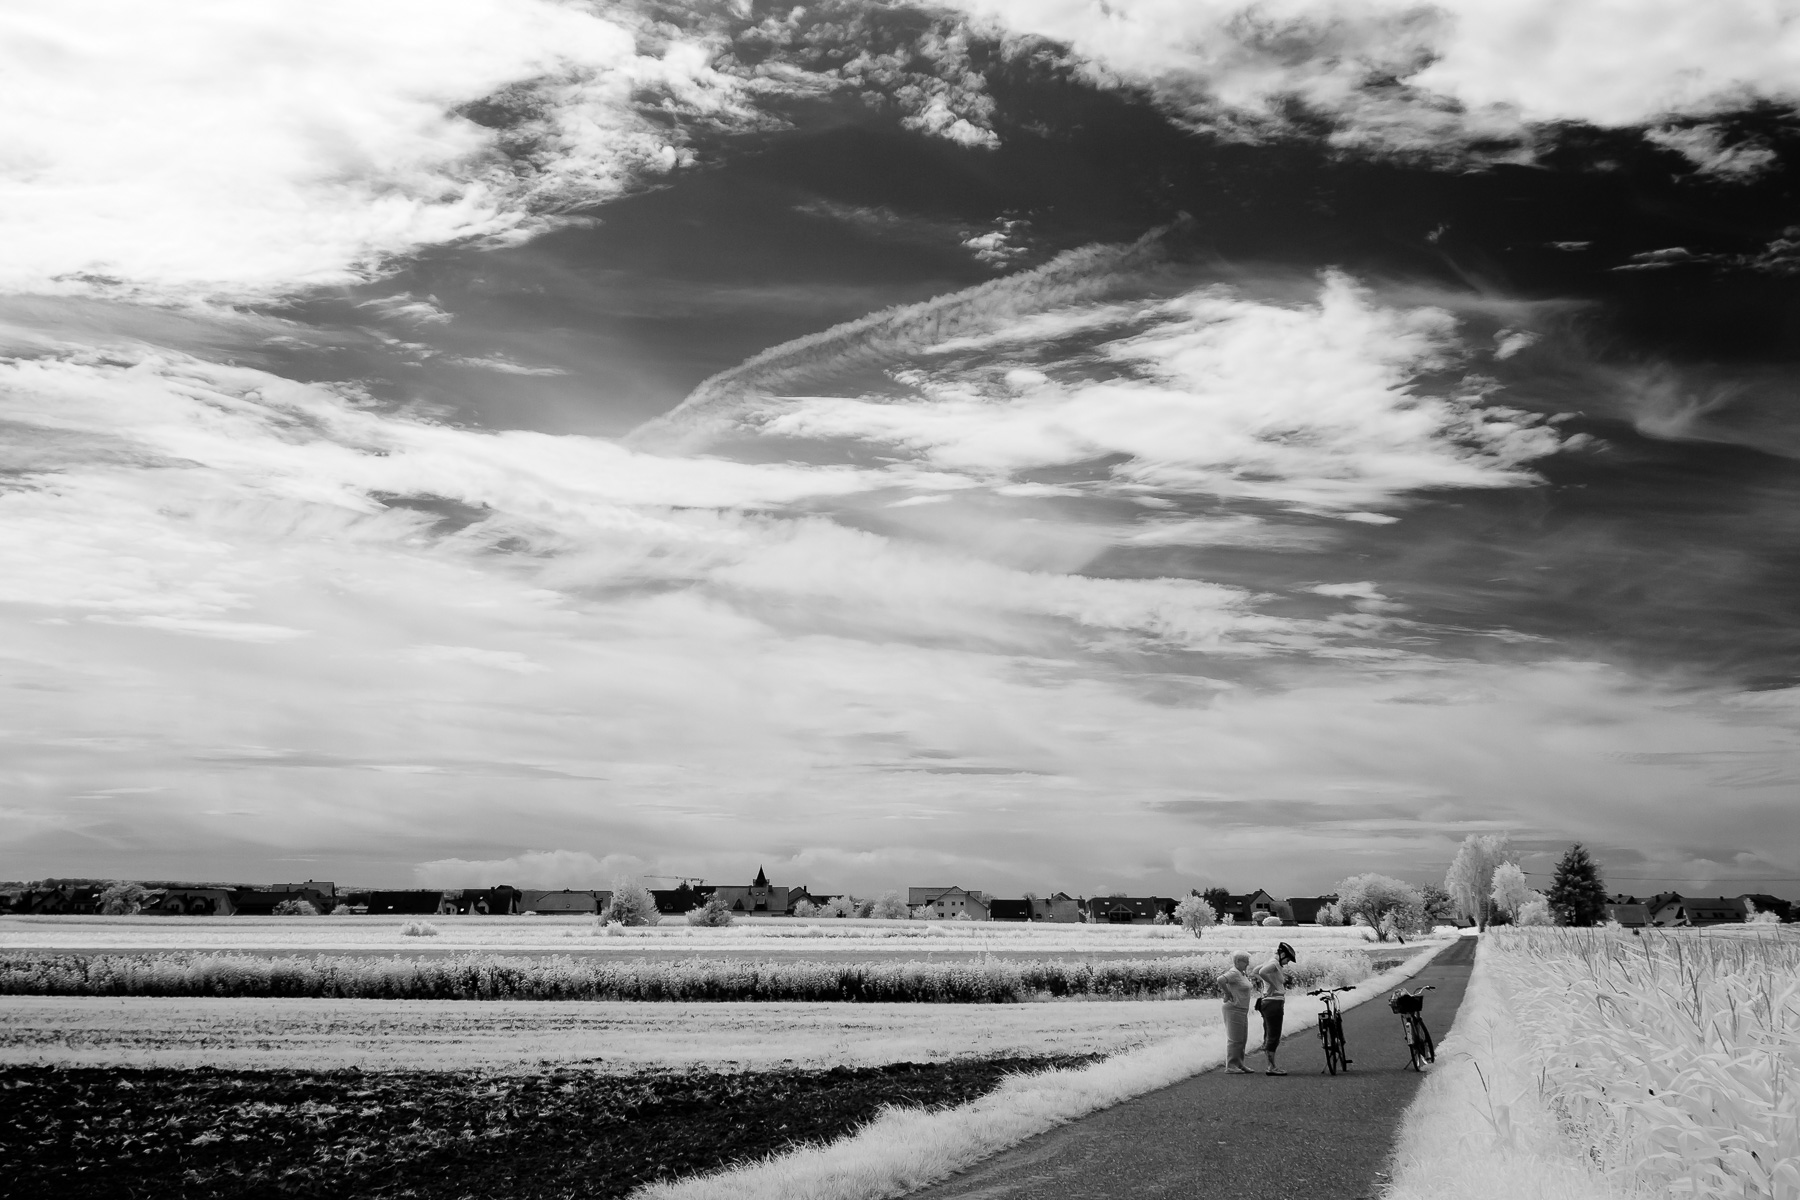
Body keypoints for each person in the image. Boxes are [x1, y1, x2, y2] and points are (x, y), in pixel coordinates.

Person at [1251, 941, 1296, 1075]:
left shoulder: (1271, 962)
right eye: (1288, 959)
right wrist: (1273, 985)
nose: (1287, 962)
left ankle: (1271, 1065)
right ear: (1282, 954)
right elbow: (1262, 972)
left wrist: (1266, 984)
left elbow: (1255, 971)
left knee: (1269, 1033)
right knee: (1274, 1034)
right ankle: (1271, 1067)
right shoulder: (1274, 963)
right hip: (1273, 1003)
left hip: (1268, 1002)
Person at [1220, 951, 1255, 1074]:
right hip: (1234, 1008)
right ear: (1238, 962)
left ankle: (1239, 1064)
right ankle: (1231, 1066)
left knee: (1242, 1038)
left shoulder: (1241, 973)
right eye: (1245, 961)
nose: (1247, 964)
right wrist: (1227, 993)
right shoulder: (1234, 973)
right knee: (1235, 1038)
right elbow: (1220, 980)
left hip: (1241, 1008)